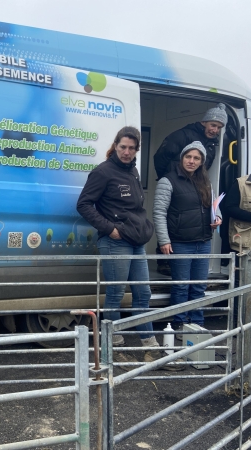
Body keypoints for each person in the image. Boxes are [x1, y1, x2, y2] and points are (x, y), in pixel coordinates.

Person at [77, 126, 182, 371]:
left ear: (137, 150)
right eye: (122, 147)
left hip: (135, 242)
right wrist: (110, 228)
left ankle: (150, 348)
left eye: (131, 148)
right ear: (115, 145)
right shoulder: (103, 172)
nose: (126, 152)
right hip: (115, 241)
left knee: (143, 294)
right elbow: (83, 204)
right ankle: (113, 347)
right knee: (115, 295)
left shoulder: (133, 171)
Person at [153, 141, 221, 335]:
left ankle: (197, 324)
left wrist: (218, 218)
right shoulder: (168, 180)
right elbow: (158, 212)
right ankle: (179, 324)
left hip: (203, 241)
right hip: (180, 243)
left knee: (199, 286)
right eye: (188, 157)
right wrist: (164, 240)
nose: (191, 161)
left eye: (196, 158)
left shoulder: (205, 182)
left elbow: (215, 206)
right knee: (181, 286)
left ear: (201, 162)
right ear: (182, 158)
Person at [153, 103, 227, 275]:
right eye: (213, 125)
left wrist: (217, 216)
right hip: (176, 184)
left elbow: (212, 199)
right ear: (204, 122)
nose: (215, 130)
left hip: (195, 189)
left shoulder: (212, 144)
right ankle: (163, 262)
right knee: (170, 216)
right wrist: (171, 177)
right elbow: (160, 157)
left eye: (219, 127)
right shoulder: (183, 135)